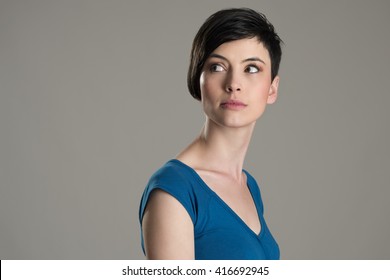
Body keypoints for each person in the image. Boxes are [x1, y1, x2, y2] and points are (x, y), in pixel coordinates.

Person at [139, 7, 283, 260]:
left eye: (251, 69)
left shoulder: (248, 187)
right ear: (198, 80)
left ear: (272, 89)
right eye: (217, 66)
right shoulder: (174, 190)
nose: (233, 84)